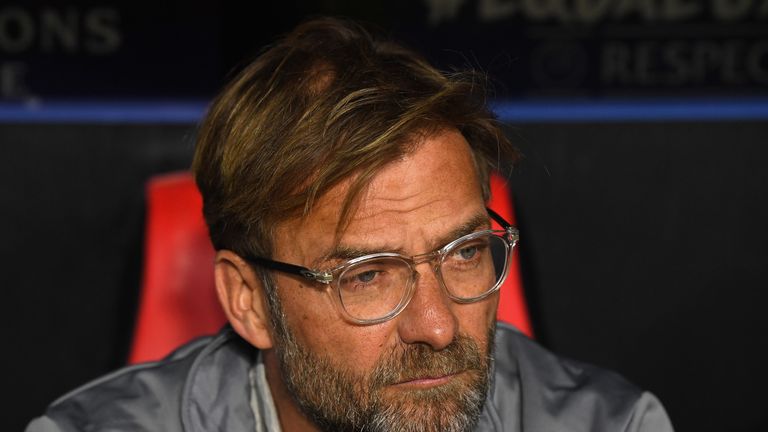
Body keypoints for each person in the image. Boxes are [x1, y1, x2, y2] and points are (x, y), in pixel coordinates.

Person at [26, 17, 674, 432]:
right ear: (248, 301)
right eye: (368, 276)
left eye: (465, 252)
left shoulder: (612, 426)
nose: (439, 325)